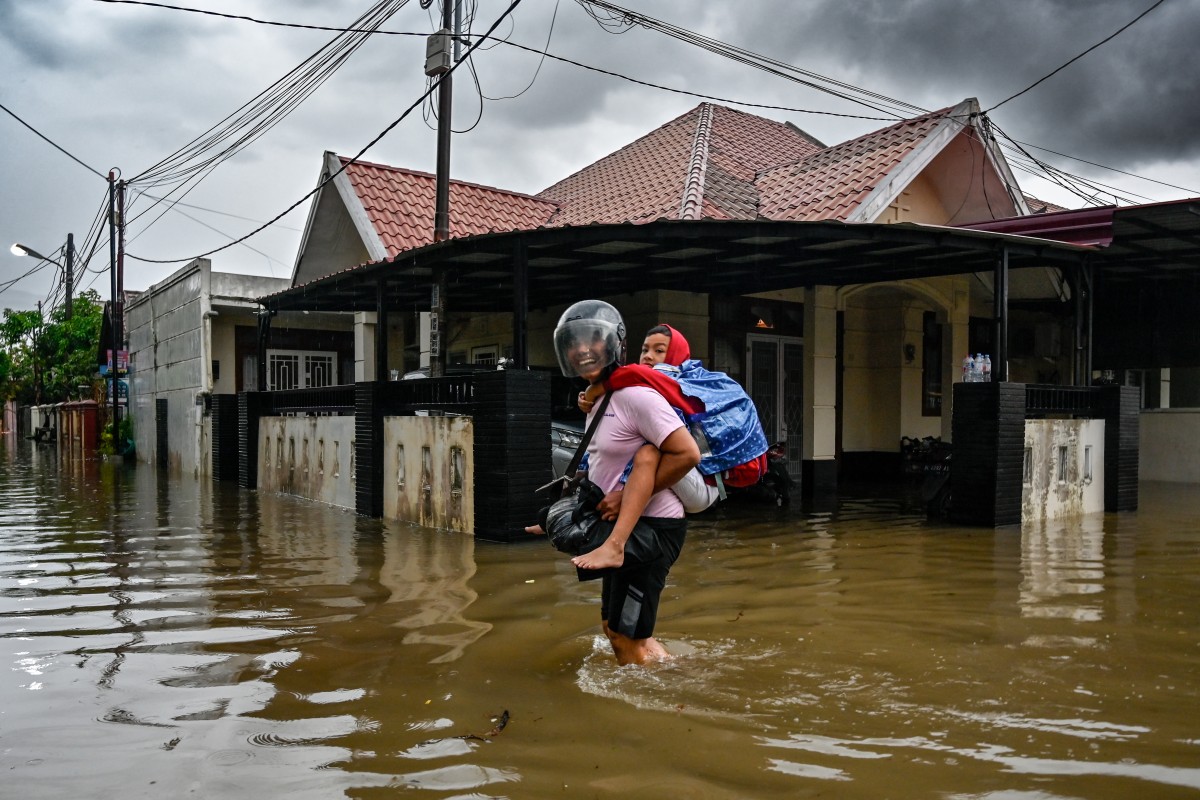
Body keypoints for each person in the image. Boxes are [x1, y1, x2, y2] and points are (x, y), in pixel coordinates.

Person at [548, 299, 701, 665]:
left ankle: (652, 710)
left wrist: (623, 497)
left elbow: (687, 454)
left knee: (627, 638)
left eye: (592, 340)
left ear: (613, 344)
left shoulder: (636, 396)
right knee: (612, 628)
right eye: (574, 342)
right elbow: (605, 466)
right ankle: (672, 671)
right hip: (624, 526)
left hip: (652, 530)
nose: (582, 350)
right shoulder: (598, 399)